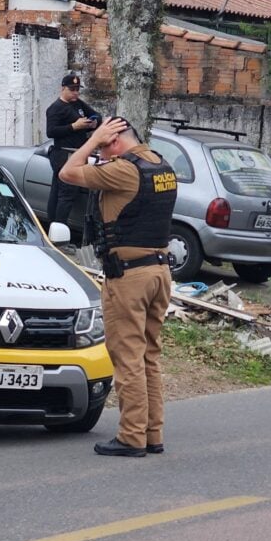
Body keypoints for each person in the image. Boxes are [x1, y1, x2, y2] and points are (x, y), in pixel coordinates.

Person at [59, 117, 177, 458]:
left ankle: (131, 436)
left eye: (103, 146)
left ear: (113, 141)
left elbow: (67, 173)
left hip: (130, 277)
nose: (101, 152)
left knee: (128, 357)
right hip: (158, 271)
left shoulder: (124, 170)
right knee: (149, 355)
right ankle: (153, 433)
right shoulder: (160, 165)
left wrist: (91, 140)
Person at [45, 74, 99, 227]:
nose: (76, 93)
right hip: (64, 154)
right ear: (63, 88)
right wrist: (73, 127)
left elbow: (96, 115)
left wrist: (93, 122)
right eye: (72, 89)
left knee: (59, 192)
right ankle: (58, 231)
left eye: (77, 89)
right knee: (66, 194)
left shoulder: (78, 104)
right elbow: (51, 131)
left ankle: (53, 228)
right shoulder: (55, 108)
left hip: (76, 154)